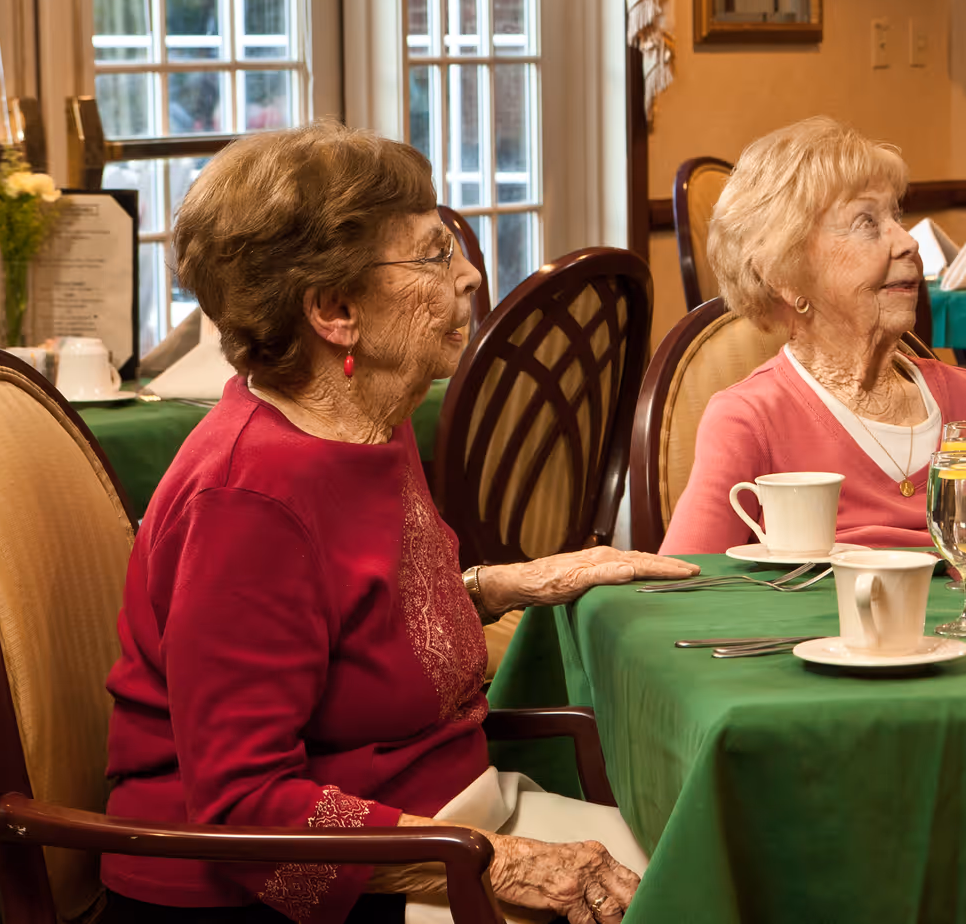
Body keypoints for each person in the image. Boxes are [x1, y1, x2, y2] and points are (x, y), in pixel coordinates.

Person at [103, 121, 698, 924]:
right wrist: (500, 862)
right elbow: (246, 807)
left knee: (727, 864)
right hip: (303, 889)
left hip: (453, 816)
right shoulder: (248, 498)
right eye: (432, 255)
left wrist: (496, 584)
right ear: (335, 308)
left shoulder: (370, 419)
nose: (470, 273)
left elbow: (350, 622)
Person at [661, 117, 966, 554]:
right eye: (866, 222)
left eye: (897, 216)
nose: (907, 242)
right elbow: (682, 591)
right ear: (784, 276)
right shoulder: (750, 420)